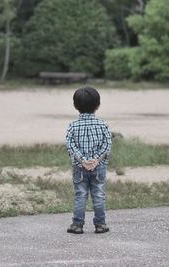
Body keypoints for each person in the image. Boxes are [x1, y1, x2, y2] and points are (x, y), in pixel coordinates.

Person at [65, 86, 112, 234]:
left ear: (75, 105)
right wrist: (96, 160)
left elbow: (71, 146)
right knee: (98, 195)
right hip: (99, 167)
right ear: (98, 105)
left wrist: (83, 160)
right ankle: (100, 224)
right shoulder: (103, 125)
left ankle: (77, 225)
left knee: (80, 195)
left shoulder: (72, 126)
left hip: (79, 167)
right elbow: (107, 145)